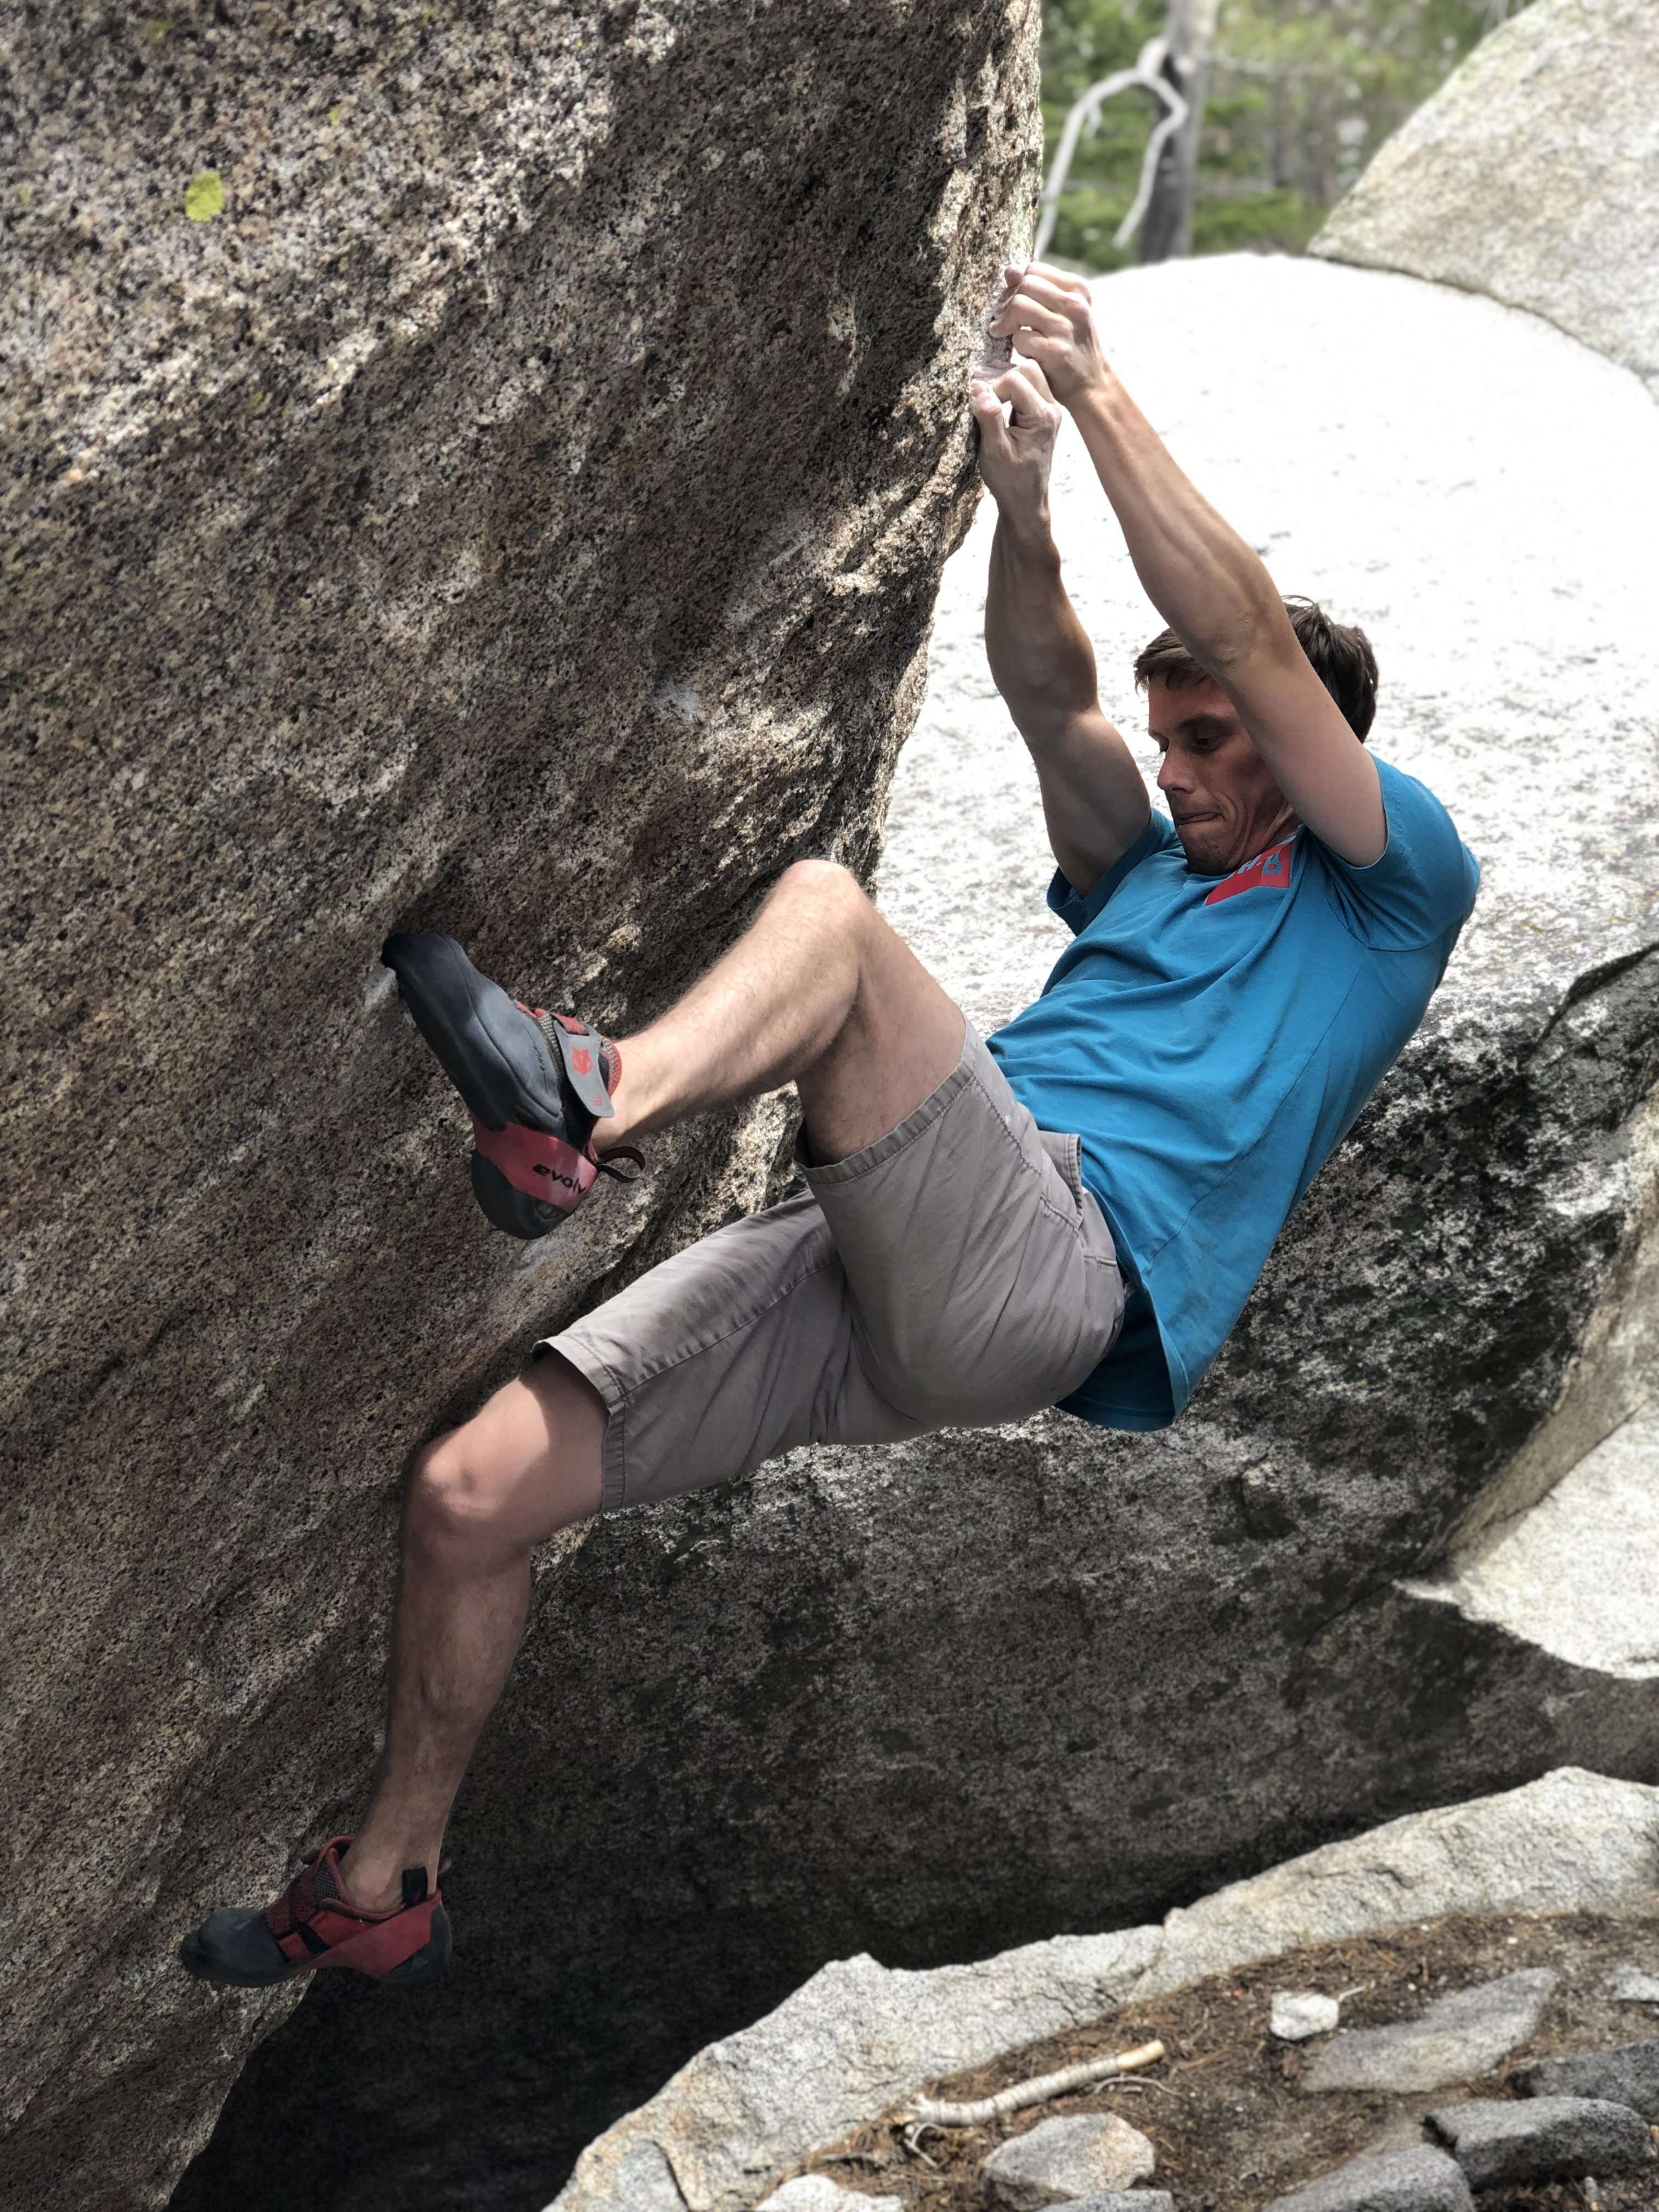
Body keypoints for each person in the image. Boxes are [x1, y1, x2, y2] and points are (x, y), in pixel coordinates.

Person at [180, 262, 1479, 1989]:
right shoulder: (1152, 877)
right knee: (470, 1494)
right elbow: (1049, 694)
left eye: (1214, 744)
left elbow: (1244, 629)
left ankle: (593, 1096)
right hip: (898, 1266)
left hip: (1060, 1264)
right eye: (1173, 743)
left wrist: (1097, 399)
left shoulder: (1389, 891)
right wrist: (1021, 512)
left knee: (837, 924)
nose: (1176, 772)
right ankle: (385, 1882)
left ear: (1317, 757)